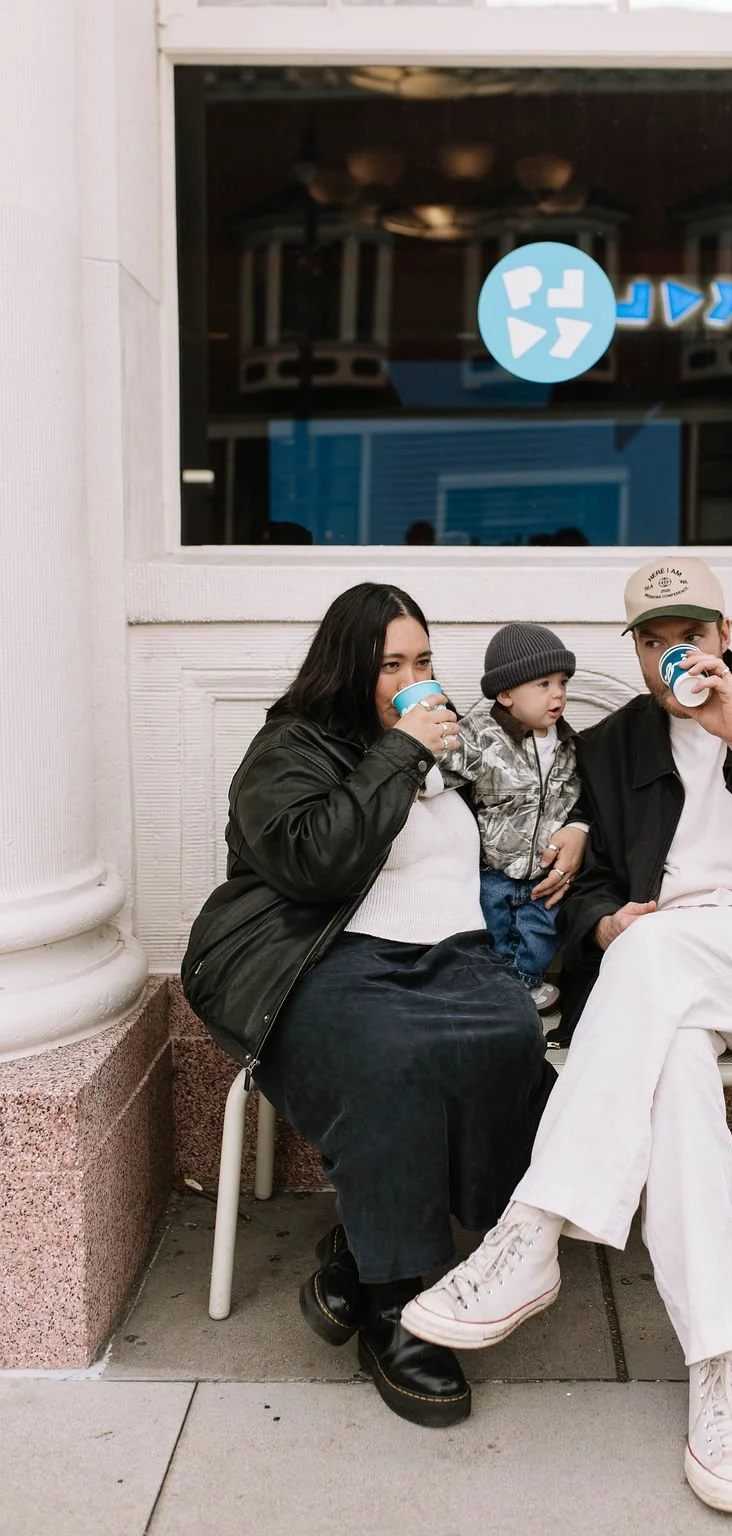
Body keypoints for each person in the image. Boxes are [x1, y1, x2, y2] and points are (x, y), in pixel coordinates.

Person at [401, 556, 732, 1512]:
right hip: (661, 985)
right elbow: (583, 879)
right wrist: (598, 924)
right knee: (669, 1060)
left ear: (724, 636)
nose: (677, 654)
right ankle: (721, 1371)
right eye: (655, 640)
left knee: (654, 958)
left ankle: (532, 1231)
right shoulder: (617, 741)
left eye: (692, 635)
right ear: (634, 651)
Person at [181, 582, 554, 1430]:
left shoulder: (446, 748)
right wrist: (399, 751)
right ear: (349, 667)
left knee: (510, 1037)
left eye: (424, 662)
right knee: (391, 1058)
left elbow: (516, 815)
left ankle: (360, 1249)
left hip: (456, 956)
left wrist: (572, 833)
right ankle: (394, 1305)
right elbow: (317, 863)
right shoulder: (291, 747)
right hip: (325, 959)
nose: (413, 681)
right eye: (391, 665)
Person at [443, 622, 588, 1014]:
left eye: (562, 682)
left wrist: (579, 826)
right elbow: (443, 768)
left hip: (544, 871)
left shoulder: (567, 743)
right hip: (494, 866)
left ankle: (523, 982)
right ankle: (498, 986)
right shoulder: (482, 735)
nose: (558, 693)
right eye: (543, 684)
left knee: (542, 929)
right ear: (505, 694)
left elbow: (578, 794)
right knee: (491, 929)